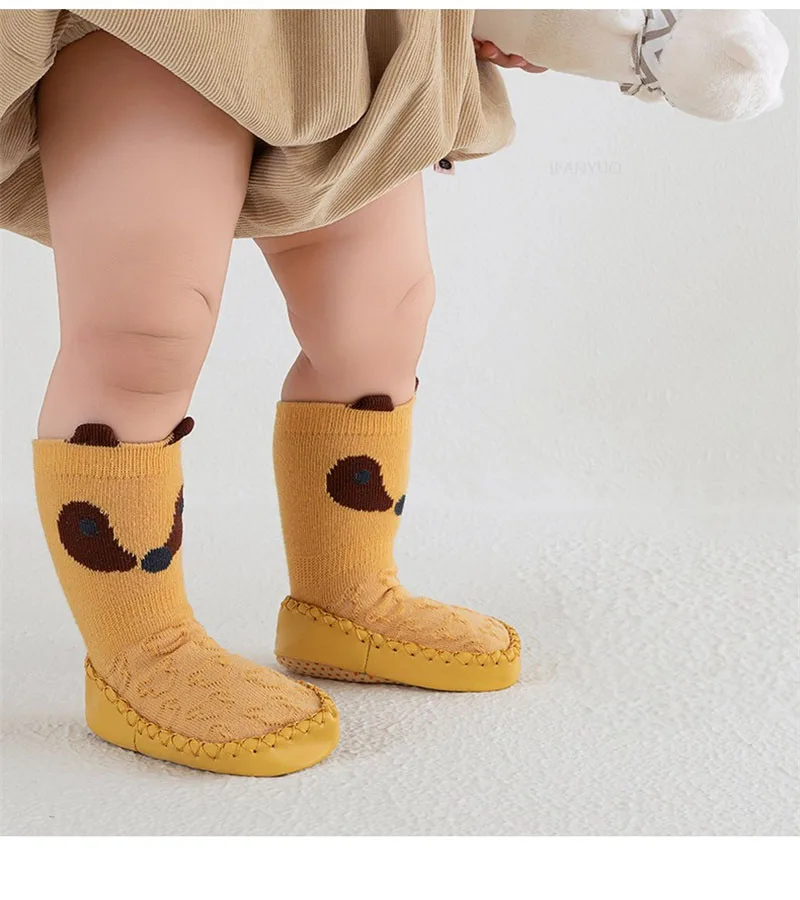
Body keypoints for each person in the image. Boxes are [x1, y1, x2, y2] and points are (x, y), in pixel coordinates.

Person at [0, 11, 542, 776]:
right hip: (147, 26)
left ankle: (346, 594)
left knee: (381, 314)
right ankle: (142, 648)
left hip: (341, 28)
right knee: (144, 332)